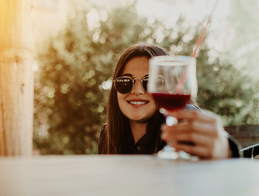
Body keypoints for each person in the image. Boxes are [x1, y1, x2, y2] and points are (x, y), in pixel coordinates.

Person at [98, 44, 240, 159]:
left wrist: (225, 149)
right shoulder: (107, 134)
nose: (137, 91)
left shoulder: (184, 123)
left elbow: (220, 156)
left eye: (150, 81)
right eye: (125, 82)